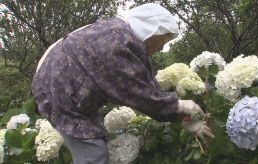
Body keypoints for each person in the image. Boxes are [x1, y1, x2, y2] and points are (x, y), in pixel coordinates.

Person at [31, 3, 214, 164]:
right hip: (60, 91)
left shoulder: (120, 34)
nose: (162, 47)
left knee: (91, 149)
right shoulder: (119, 44)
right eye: (163, 38)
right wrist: (181, 105)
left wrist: (183, 120)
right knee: (93, 153)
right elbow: (143, 96)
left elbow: (149, 89)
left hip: (58, 85)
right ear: (151, 29)